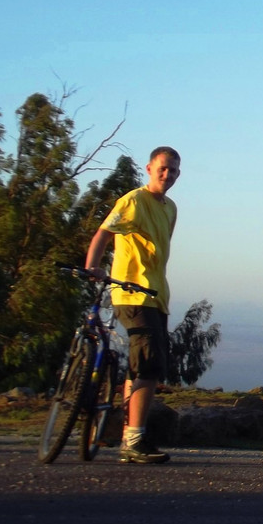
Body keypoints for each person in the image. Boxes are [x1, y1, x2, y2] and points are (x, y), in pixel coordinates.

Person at [85, 146, 182, 464]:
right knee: (149, 365)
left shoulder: (170, 208)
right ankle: (135, 439)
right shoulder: (133, 200)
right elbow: (103, 233)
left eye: (174, 171)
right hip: (131, 293)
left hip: (156, 295)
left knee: (141, 365)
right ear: (150, 168)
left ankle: (130, 434)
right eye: (163, 168)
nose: (168, 175)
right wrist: (93, 266)